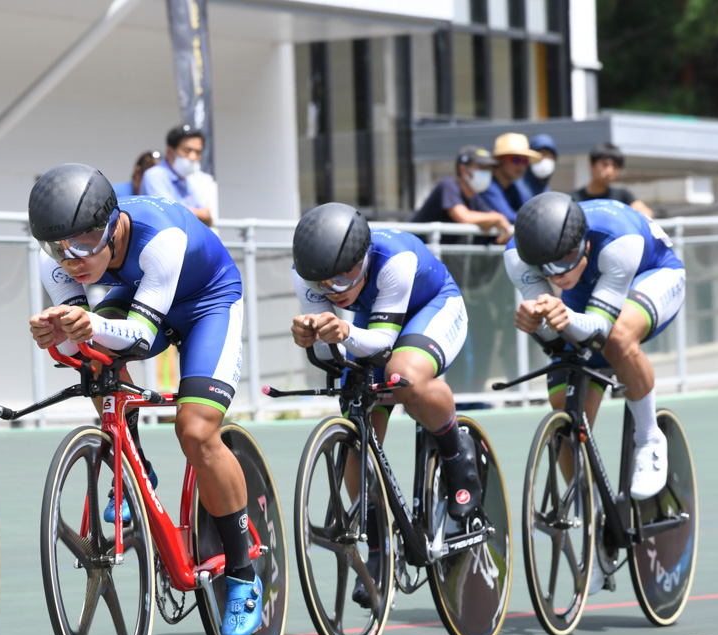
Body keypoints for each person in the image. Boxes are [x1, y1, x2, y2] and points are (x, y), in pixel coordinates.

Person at [27, 163, 258, 635]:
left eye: (87, 243)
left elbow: (137, 336)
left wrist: (88, 325)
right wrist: (56, 332)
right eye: (60, 249)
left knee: (196, 430)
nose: (73, 260)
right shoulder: (58, 253)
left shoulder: (161, 239)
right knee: (87, 356)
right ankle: (135, 470)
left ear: (114, 224)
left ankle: (242, 573)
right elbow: (81, 341)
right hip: (142, 297)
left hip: (207, 304)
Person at [290, 203, 480, 606]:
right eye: (324, 284)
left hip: (429, 310)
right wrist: (312, 336)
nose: (335, 290)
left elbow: (381, 343)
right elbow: (331, 354)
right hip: (368, 327)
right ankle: (378, 551)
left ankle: (456, 455)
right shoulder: (307, 273)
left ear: (363, 258)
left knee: (404, 374)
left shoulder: (394, 260)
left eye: (345, 277)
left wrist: (341, 330)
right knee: (356, 428)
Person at [504, 192, 684, 506]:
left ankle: (649, 438)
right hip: (588, 289)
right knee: (565, 411)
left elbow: (599, 332)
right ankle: (594, 512)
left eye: (563, 261)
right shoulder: (517, 256)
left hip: (649, 275)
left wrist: (567, 317)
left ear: (585, 244)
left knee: (618, 340)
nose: (556, 274)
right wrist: (537, 323)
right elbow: (557, 341)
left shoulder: (618, 239)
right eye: (544, 268)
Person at [411, 145, 512, 243]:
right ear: (463, 169)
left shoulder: (474, 198)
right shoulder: (448, 185)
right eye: (482, 167)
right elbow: (464, 217)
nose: (487, 172)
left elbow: (490, 215)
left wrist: (497, 221)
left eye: (489, 168)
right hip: (410, 252)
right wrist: (498, 218)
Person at [139, 125, 215, 226]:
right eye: (187, 151)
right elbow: (168, 214)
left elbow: (208, 219)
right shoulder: (154, 175)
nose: (193, 157)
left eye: (198, 152)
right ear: (170, 152)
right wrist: (200, 213)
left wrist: (197, 214)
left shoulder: (192, 178)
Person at [573, 142, 655, 218]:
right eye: (605, 164)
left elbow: (646, 213)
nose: (610, 171)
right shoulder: (575, 199)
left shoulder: (623, 196)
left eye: (615, 166)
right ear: (592, 166)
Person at [481, 132, 543, 222]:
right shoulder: (488, 186)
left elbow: (530, 210)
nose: (521, 166)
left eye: (525, 161)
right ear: (500, 159)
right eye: (516, 159)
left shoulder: (512, 187)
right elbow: (510, 217)